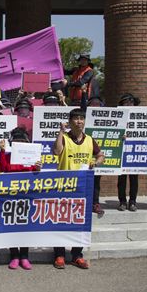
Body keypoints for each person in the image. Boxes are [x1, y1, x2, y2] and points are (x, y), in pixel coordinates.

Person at [52, 108, 104, 270]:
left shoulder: (89, 139)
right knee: (61, 221)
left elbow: (101, 155)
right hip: (64, 187)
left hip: (83, 188)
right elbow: (57, 151)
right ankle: (59, 254)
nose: (79, 121)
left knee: (80, 223)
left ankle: (76, 255)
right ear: (70, 121)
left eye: (82, 118)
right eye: (76, 119)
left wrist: (96, 162)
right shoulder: (65, 137)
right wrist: (61, 131)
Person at [0, 128, 42, 271]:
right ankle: (14, 255)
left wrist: (38, 168)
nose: (20, 143)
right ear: (12, 143)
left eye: (22, 141)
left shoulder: (32, 158)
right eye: (16, 141)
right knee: (11, 227)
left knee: (25, 228)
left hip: (27, 198)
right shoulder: (8, 156)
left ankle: (24, 256)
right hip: (10, 198)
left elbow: (35, 175)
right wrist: (2, 151)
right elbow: (1, 168)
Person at [117, 93, 140, 212]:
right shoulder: (118, 116)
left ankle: (132, 201)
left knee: (134, 179)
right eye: (125, 102)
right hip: (121, 151)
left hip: (135, 151)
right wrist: (120, 136)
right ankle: (122, 201)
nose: (128, 104)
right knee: (121, 179)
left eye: (131, 102)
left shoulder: (141, 115)